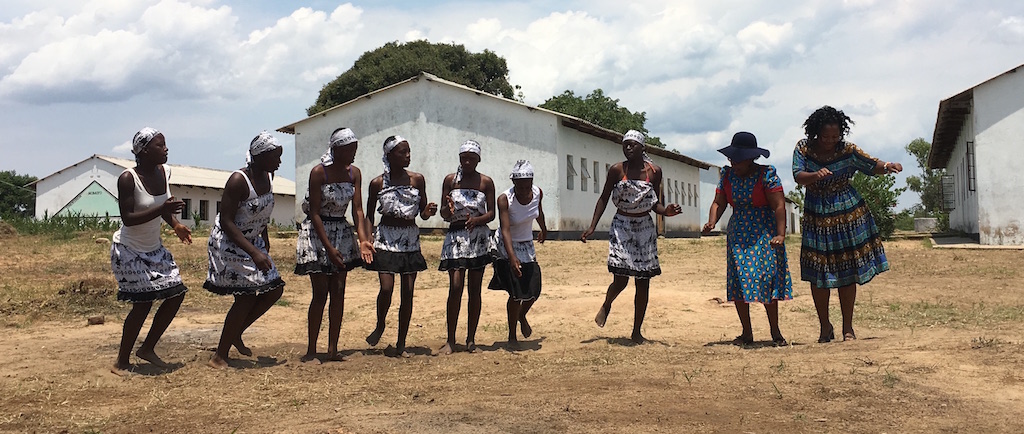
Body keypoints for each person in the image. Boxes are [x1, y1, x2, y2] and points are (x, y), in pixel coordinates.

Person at [793, 106, 903, 342]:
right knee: (819, 273)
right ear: (815, 134)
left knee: (847, 270)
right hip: (817, 216)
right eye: (825, 137)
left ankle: (848, 328)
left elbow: (870, 164)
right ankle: (825, 327)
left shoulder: (848, 150)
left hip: (847, 214)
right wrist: (815, 176)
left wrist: (887, 166)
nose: (831, 141)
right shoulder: (803, 148)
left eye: (835, 137)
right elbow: (797, 175)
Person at [581, 130, 682, 344]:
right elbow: (604, 198)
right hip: (622, 226)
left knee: (643, 282)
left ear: (641, 147)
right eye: (625, 144)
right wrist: (592, 226)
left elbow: (655, 203)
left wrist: (667, 211)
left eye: (632, 145)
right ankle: (607, 304)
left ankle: (637, 332)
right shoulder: (617, 170)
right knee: (620, 280)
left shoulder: (655, 171)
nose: (628, 148)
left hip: (644, 228)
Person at [109, 127, 192, 375]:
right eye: (160, 145)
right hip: (130, 249)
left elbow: (161, 208)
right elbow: (129, 218)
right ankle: (121, 361)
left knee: (176, 294)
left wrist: (175, 225)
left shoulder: (163, 172)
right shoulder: (127, 179)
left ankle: (147, 348)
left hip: (153, 248)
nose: (166, 149)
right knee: (143, 303)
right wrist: (162, 209)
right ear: (144, 151)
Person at [204, 131, 287, 368]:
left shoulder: (269, 177)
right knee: (246, 297)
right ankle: (220, 355)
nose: (279, 162)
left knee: (274, 291)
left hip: (252, 241)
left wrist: (264, 239)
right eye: (275, 157)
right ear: (260, 156)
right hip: (230, 243)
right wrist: (254, 252)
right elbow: (228, 222)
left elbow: (262, 213)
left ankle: (236, 332)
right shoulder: (239, 181)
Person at [703, 132, 793, 346]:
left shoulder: (766, 175)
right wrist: (712, 221)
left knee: (765, 278)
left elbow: (779, 205)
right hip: (738, 231)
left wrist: (780, 234)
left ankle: (775, 332)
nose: (734, 163)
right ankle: (747, 333)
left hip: (764, 231)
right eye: (732, 159)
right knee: (739, 282)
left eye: (738, 160)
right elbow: (718, 202)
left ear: (751, 158)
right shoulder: (727, 175)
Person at [294, 127, 374, 363]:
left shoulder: (354, 174)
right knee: (320, 294)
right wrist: (329, 248)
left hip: (341, 230)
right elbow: (316, 213)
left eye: (355, 149)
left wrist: (363, 240)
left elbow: (358, 209)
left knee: (338, 292)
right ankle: (311, 349)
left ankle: (332, 348)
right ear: (336, 150)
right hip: (319, 235)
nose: (353, 154)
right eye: (350, 150)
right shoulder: (319, 173)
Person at [364, 136, 438, 358]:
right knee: (386, 288)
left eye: (409, 152)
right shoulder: (378, 183)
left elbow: (423, 213)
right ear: (389, 156)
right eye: (402, 152)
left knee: (407, 292)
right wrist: (367, 239)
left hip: (409, 239)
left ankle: (401, 344)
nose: (408, 156)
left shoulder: (417, 180)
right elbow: (368, 215)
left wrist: (428, 212)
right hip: (385, 237)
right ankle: (380, 324)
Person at [438, 139, 495, 355]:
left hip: (478, 237)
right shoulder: (451, 181)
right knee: (455, 286)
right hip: (455, 236)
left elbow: (491, 213)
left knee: (475, 289)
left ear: (479, 159)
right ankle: (451, 339)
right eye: (464, 158)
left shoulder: (486, 182)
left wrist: (478, 221)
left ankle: (471, 339)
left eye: (472, 158)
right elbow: (444, 214)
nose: (468, 161)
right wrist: (448, 209)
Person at [488, 160, 547, 350]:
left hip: (527, 243)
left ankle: (522, 314)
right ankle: (512, 335)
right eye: (519, 184)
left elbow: (538, 211)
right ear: (513, 181)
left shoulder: (538, 192)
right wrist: (512, 257)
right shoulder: (505, 199)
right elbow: (505, 229)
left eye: (527, 184)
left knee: (533, 289)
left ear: (532, 181)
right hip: (507, 245)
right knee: (515, 293)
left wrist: (544, 229)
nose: (523, 188)